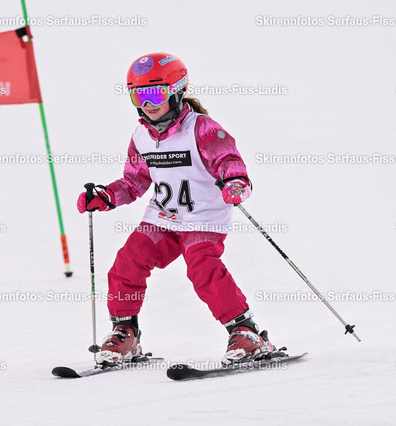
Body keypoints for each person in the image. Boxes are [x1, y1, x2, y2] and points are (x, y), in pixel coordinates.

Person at [77, 52, 276, 365]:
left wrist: (235, 183)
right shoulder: (141, 136)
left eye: (155, 93)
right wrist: (108, 196)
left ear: (176, 90)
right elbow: (134, 181)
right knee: (128, 262)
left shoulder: (202, 128)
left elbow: (228, 160)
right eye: (138, 95)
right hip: (163, 219)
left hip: (203, 219)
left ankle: (246, 332)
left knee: (202, 268)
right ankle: (125, 331)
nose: (147, 103)